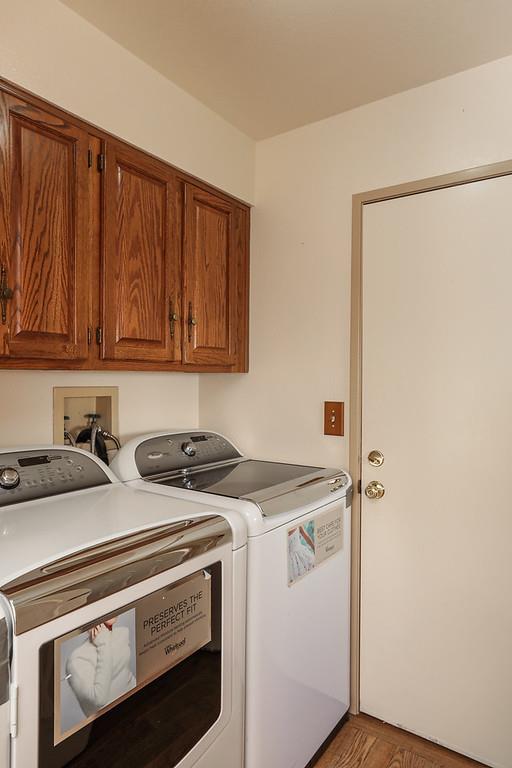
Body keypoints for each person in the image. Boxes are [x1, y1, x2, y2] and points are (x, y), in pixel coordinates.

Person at [66, 617, 136, 717]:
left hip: (136, 707)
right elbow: (99, 700)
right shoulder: (77, 659)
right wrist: (103, 644)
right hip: (109, 724)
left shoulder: (122, 633)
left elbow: (128, 677)